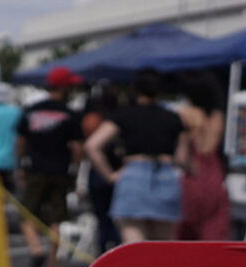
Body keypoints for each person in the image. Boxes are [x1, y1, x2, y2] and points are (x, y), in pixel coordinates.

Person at [85, 69, 187, 243]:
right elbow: (182, 159)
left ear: (134, 89)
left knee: (134, 249)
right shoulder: (173, 117)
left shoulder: (123, 115)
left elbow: (92, 146)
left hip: (133, 175)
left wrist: (110, 175)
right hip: (165, 175)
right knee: (163, 251)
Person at [16, 68, 83, 267]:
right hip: (60, 170)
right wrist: (75, 170)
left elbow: (20, 140)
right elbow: (77, 147)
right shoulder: (70, 114)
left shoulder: (32, 110)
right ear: (63, 87)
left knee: (26, 216)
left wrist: (21, 164)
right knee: (57, 218)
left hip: (35, 169)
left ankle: (36, 249)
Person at [174, 71, 230, 242]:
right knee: (214, 233)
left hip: (193, 175)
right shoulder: (218, 117)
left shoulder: (186, 115)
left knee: (187, 235)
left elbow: (181, 155)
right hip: (215, 176)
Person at [81, 89, 123, 254]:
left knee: (104, 219)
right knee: (113, 219)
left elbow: (88, 146)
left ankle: (105, 251)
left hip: (100, 174)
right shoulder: (111, 122)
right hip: (110, 173)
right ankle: (110, 251)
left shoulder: (93, 120)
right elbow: (91, 147)